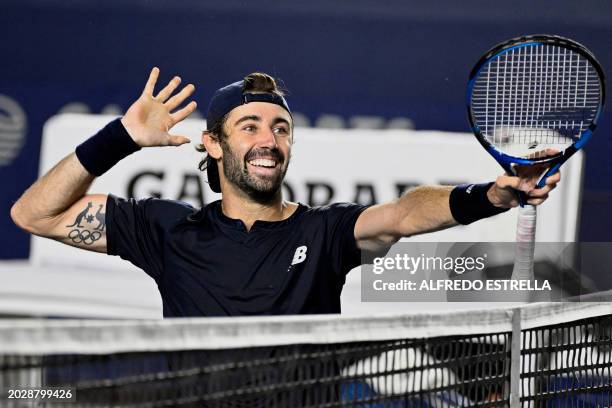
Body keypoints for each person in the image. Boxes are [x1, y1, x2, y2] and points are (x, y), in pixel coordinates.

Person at [10, 68, 560, 317]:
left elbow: (404, 213)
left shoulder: (325, 232)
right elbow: (34, 214)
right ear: (214, 145)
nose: (267, 139)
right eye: (248, 126)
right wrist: (121, 138)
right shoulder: (167, 229)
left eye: (279, 127)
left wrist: (488, 196)